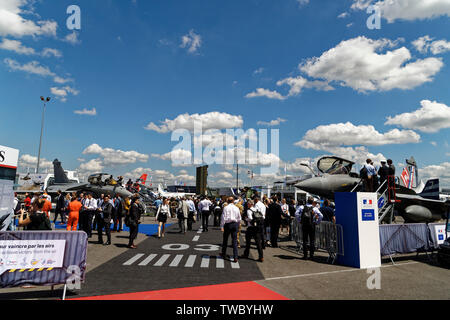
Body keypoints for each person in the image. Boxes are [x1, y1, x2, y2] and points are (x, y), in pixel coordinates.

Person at [220, 197, 241, 263]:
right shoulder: (236, 208)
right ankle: (235, 257)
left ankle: (224, 254)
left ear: (228, 201)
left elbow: (223, 217)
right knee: (234, 241)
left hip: (228, 224)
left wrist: (222, 226)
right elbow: (239, 218)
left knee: (225, 240)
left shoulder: (226, 208)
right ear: (233, 201)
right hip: (235, 224)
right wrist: (238, 225)